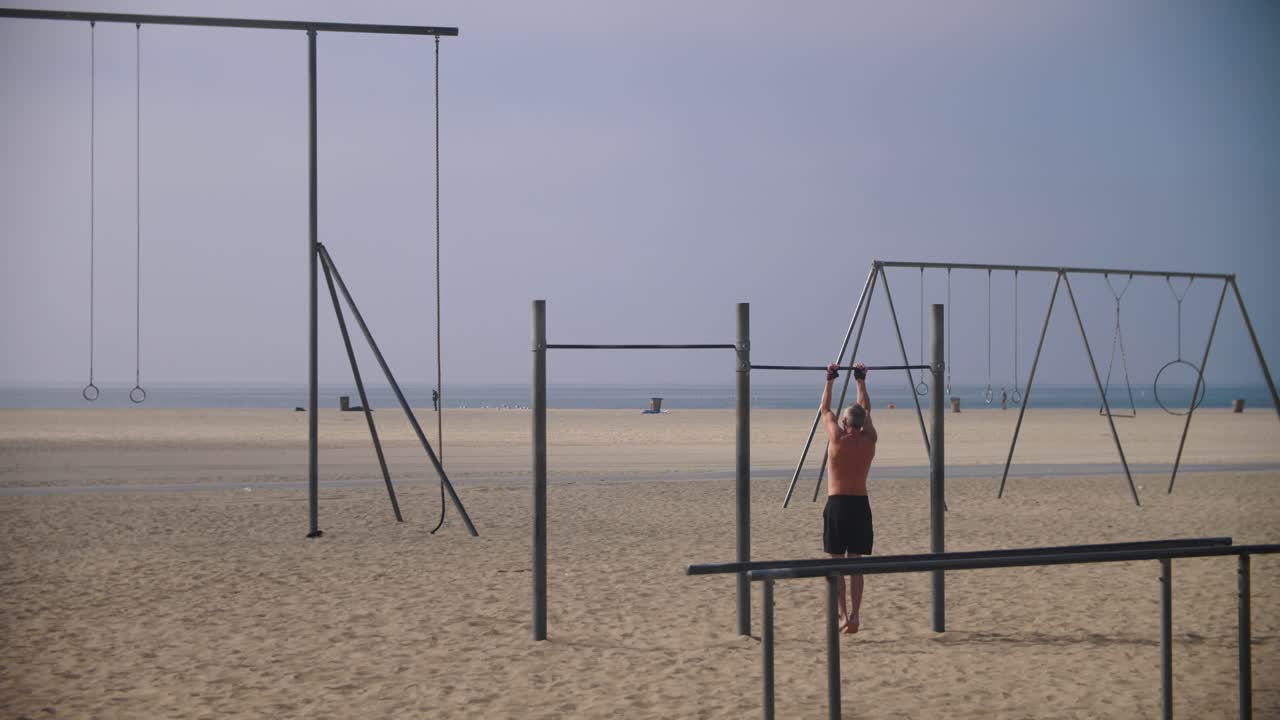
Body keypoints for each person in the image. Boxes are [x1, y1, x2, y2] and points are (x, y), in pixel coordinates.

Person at [821, 361, 877, 634]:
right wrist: (860, 380)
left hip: (839, 504)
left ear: (845, 423)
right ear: (863, 424)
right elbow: (865, 409)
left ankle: (843, 615)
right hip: (860, 505)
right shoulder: (870, 441)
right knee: (856, 564)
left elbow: (825, 410)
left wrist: (830, 379)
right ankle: (855, 615)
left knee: (836, 564)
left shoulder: (837, 439)